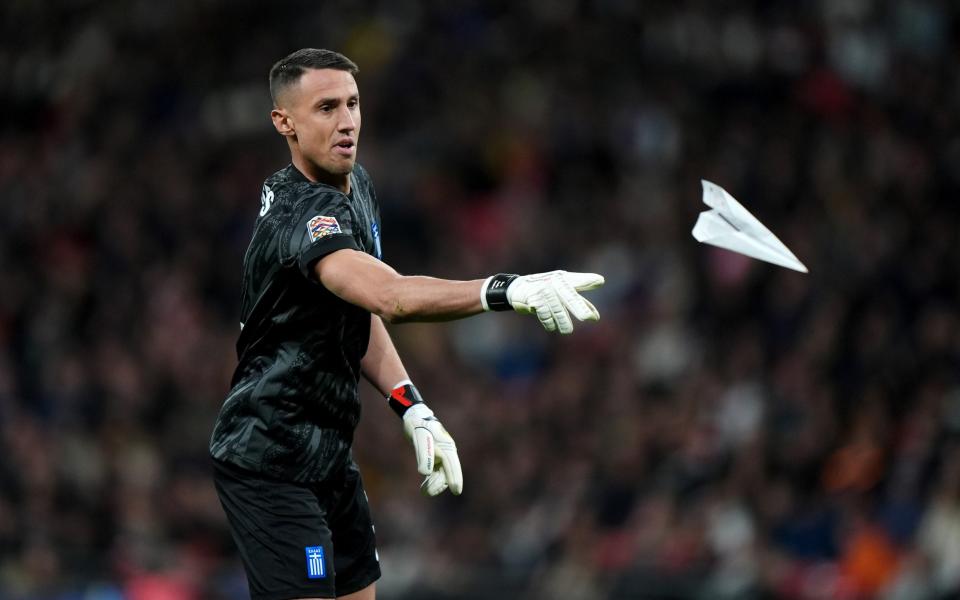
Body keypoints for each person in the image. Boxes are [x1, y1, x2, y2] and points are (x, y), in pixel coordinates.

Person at [209, 48, 604, 600]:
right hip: (271, 460)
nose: (346, 122)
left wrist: (411, 404)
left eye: (352, 104)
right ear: (285, 123)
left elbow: (358, 313)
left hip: (328, 452)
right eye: (325, 108)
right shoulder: (298, 216)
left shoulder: (358, 187)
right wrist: (505, 289)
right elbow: (389, 296)